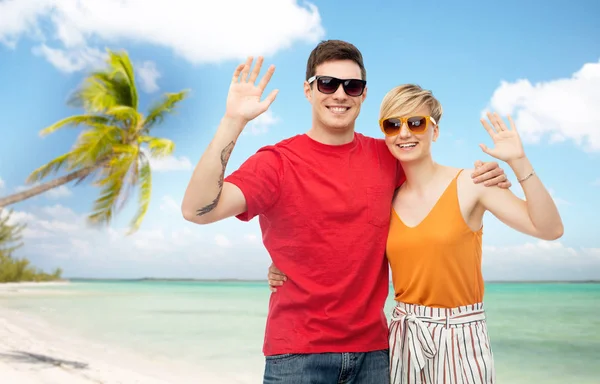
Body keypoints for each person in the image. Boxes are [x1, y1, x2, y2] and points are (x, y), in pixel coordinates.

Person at [182, 40, 510, 384]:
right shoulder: (276, 163)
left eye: (352, 85)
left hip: (375, 355)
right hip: (297, 356)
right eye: (327, 83)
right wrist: (233, 121)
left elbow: (438, 191)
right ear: (308, 91)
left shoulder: (388, 158)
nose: (340, 94)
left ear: (363, 96)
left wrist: (487, 176)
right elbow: (197, 210)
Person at [268, 84, 564, 384]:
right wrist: (285, 264)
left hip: (461, 336)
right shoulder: (386, 197)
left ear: (434, 131)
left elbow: (549, 228)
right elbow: (338, 239)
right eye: (393, 125)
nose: (404, 133)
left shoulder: (472, 184)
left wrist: (519, 162)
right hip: (403, 337)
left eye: (416, 122)